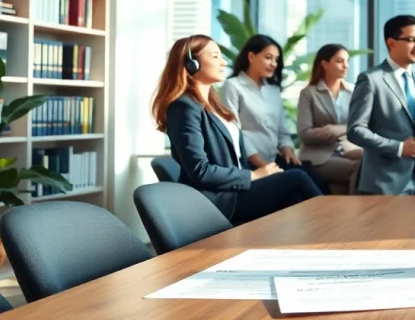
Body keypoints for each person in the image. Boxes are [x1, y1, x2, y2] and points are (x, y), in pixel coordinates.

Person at [152, 35, 323, 224]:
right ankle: (334, 218)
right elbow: (200, 170)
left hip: (236, 191)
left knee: (294, 199)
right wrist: (254, 175)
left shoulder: (213, 105)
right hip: (218, 200)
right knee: (297, 178)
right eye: (215, 56)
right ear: (192, 63)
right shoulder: (184, 107)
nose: (224, 62)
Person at [346, 15, 415, 195]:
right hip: (385, 183)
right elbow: (355, 130)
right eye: (411, 40)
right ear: (391, 43)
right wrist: (399, 148)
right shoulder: (371, 79)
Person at [219, 34, 298, 170]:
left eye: (276, 60)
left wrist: (288, 150)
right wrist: (263, 165)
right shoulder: (233, 86)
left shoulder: (273, 90)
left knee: (311, 176)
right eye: (268, 58)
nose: (274, 64)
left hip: (273, 161)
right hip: (247, 164)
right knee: (300, 178)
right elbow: (234, 132)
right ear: (251, 57)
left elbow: (282, 130)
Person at [297, 43, 362, 195]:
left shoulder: (353, 91)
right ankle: (358, 211)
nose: (346, 66)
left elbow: (360, 126)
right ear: (325, 64)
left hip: (347, 149)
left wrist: (337, 129)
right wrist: (344, 130)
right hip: (318, 157)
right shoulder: (308, 93)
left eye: (347, 61)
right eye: (339, 61)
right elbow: (305, 133)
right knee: (358, 167)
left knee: (373, 159)